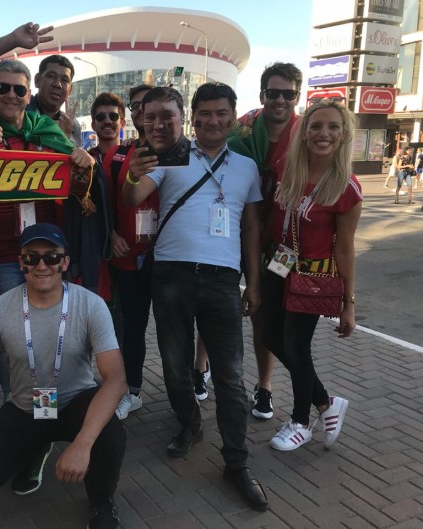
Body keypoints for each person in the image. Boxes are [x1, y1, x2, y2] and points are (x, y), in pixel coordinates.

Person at [123, 85, 268, 511]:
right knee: (174, 366)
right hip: (171, 274)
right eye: (204, 113)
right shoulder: (171, 155)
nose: (213, 121)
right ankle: (189, 423)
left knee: (229, 376)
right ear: (193, 117)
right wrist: (132, 174)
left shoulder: (246, 167)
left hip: (223, 280)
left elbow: (251, 228)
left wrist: (254, 283)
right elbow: (133, 196)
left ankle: (236, 461)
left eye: (221, 113)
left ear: (233, 117)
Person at [0, 223, 127, 529]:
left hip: (76, 401)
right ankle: (35, 448)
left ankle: (102, 501)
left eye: (51, 256)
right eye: (31, 257)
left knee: (110, 435)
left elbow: (115, 378)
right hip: (27, 406)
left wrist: (83, 443)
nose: (41, 265)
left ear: (64, 262)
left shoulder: (90, 305)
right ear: (21, 263)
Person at [0, 58, 94, 411]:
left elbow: (78, 180)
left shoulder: (47, 132)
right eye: (3, 87)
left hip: (46, 254)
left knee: (46, 333)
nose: (11, 95)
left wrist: (83, 159)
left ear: (27, 94)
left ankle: (47, 406)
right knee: (12, 336)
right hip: (4, 256)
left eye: (19, 89)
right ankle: (16, 405)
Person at [260, 100, 362, 452]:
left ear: (344, 135)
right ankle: (324, 401)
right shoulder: (287, 170)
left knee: (295, 346)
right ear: (304, 133)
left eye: (333, 127)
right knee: (268, 334)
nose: (324, 134)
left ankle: (301, 422)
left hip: (311, 275)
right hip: (279, 264)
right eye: (316, 126)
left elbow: (345, 249)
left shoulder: (346, 187)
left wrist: (348, 304)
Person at [228, 62, 303, 420]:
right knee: (220, 301)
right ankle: (200, 367)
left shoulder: (306, 133)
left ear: (297, 96)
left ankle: (265, 386)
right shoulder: (242, 130)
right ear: (262, 95)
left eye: (288, 93)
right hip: (238, 232)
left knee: (268, 315)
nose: (280, 100)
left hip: (283, 245)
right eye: (273, 92)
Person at [102, 84, 159, 420]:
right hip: (128, 260)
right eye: (136, 106)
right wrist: (111, 233)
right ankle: (132, 390)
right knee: (131, 328)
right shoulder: (117, 156)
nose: (142, 112)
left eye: (147, 106)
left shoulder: (179, 155)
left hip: (165, 259)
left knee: (174, 330)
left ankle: (188, 388)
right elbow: (103, 204)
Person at [0, 22, 82, 146]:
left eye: (65, 80)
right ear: (37, 80)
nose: (57, 84)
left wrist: (63, 139)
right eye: (51, 76)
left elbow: (74, 156)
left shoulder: (72, 125)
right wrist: (13, 40)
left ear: (70, 90)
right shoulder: (16, 103)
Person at [88, 92, 125, 162]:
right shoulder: (86, 160)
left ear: (122, 123)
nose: (107, 121)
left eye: (113, 116)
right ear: (93, 125)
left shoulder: (133, 157)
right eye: (101, 117)